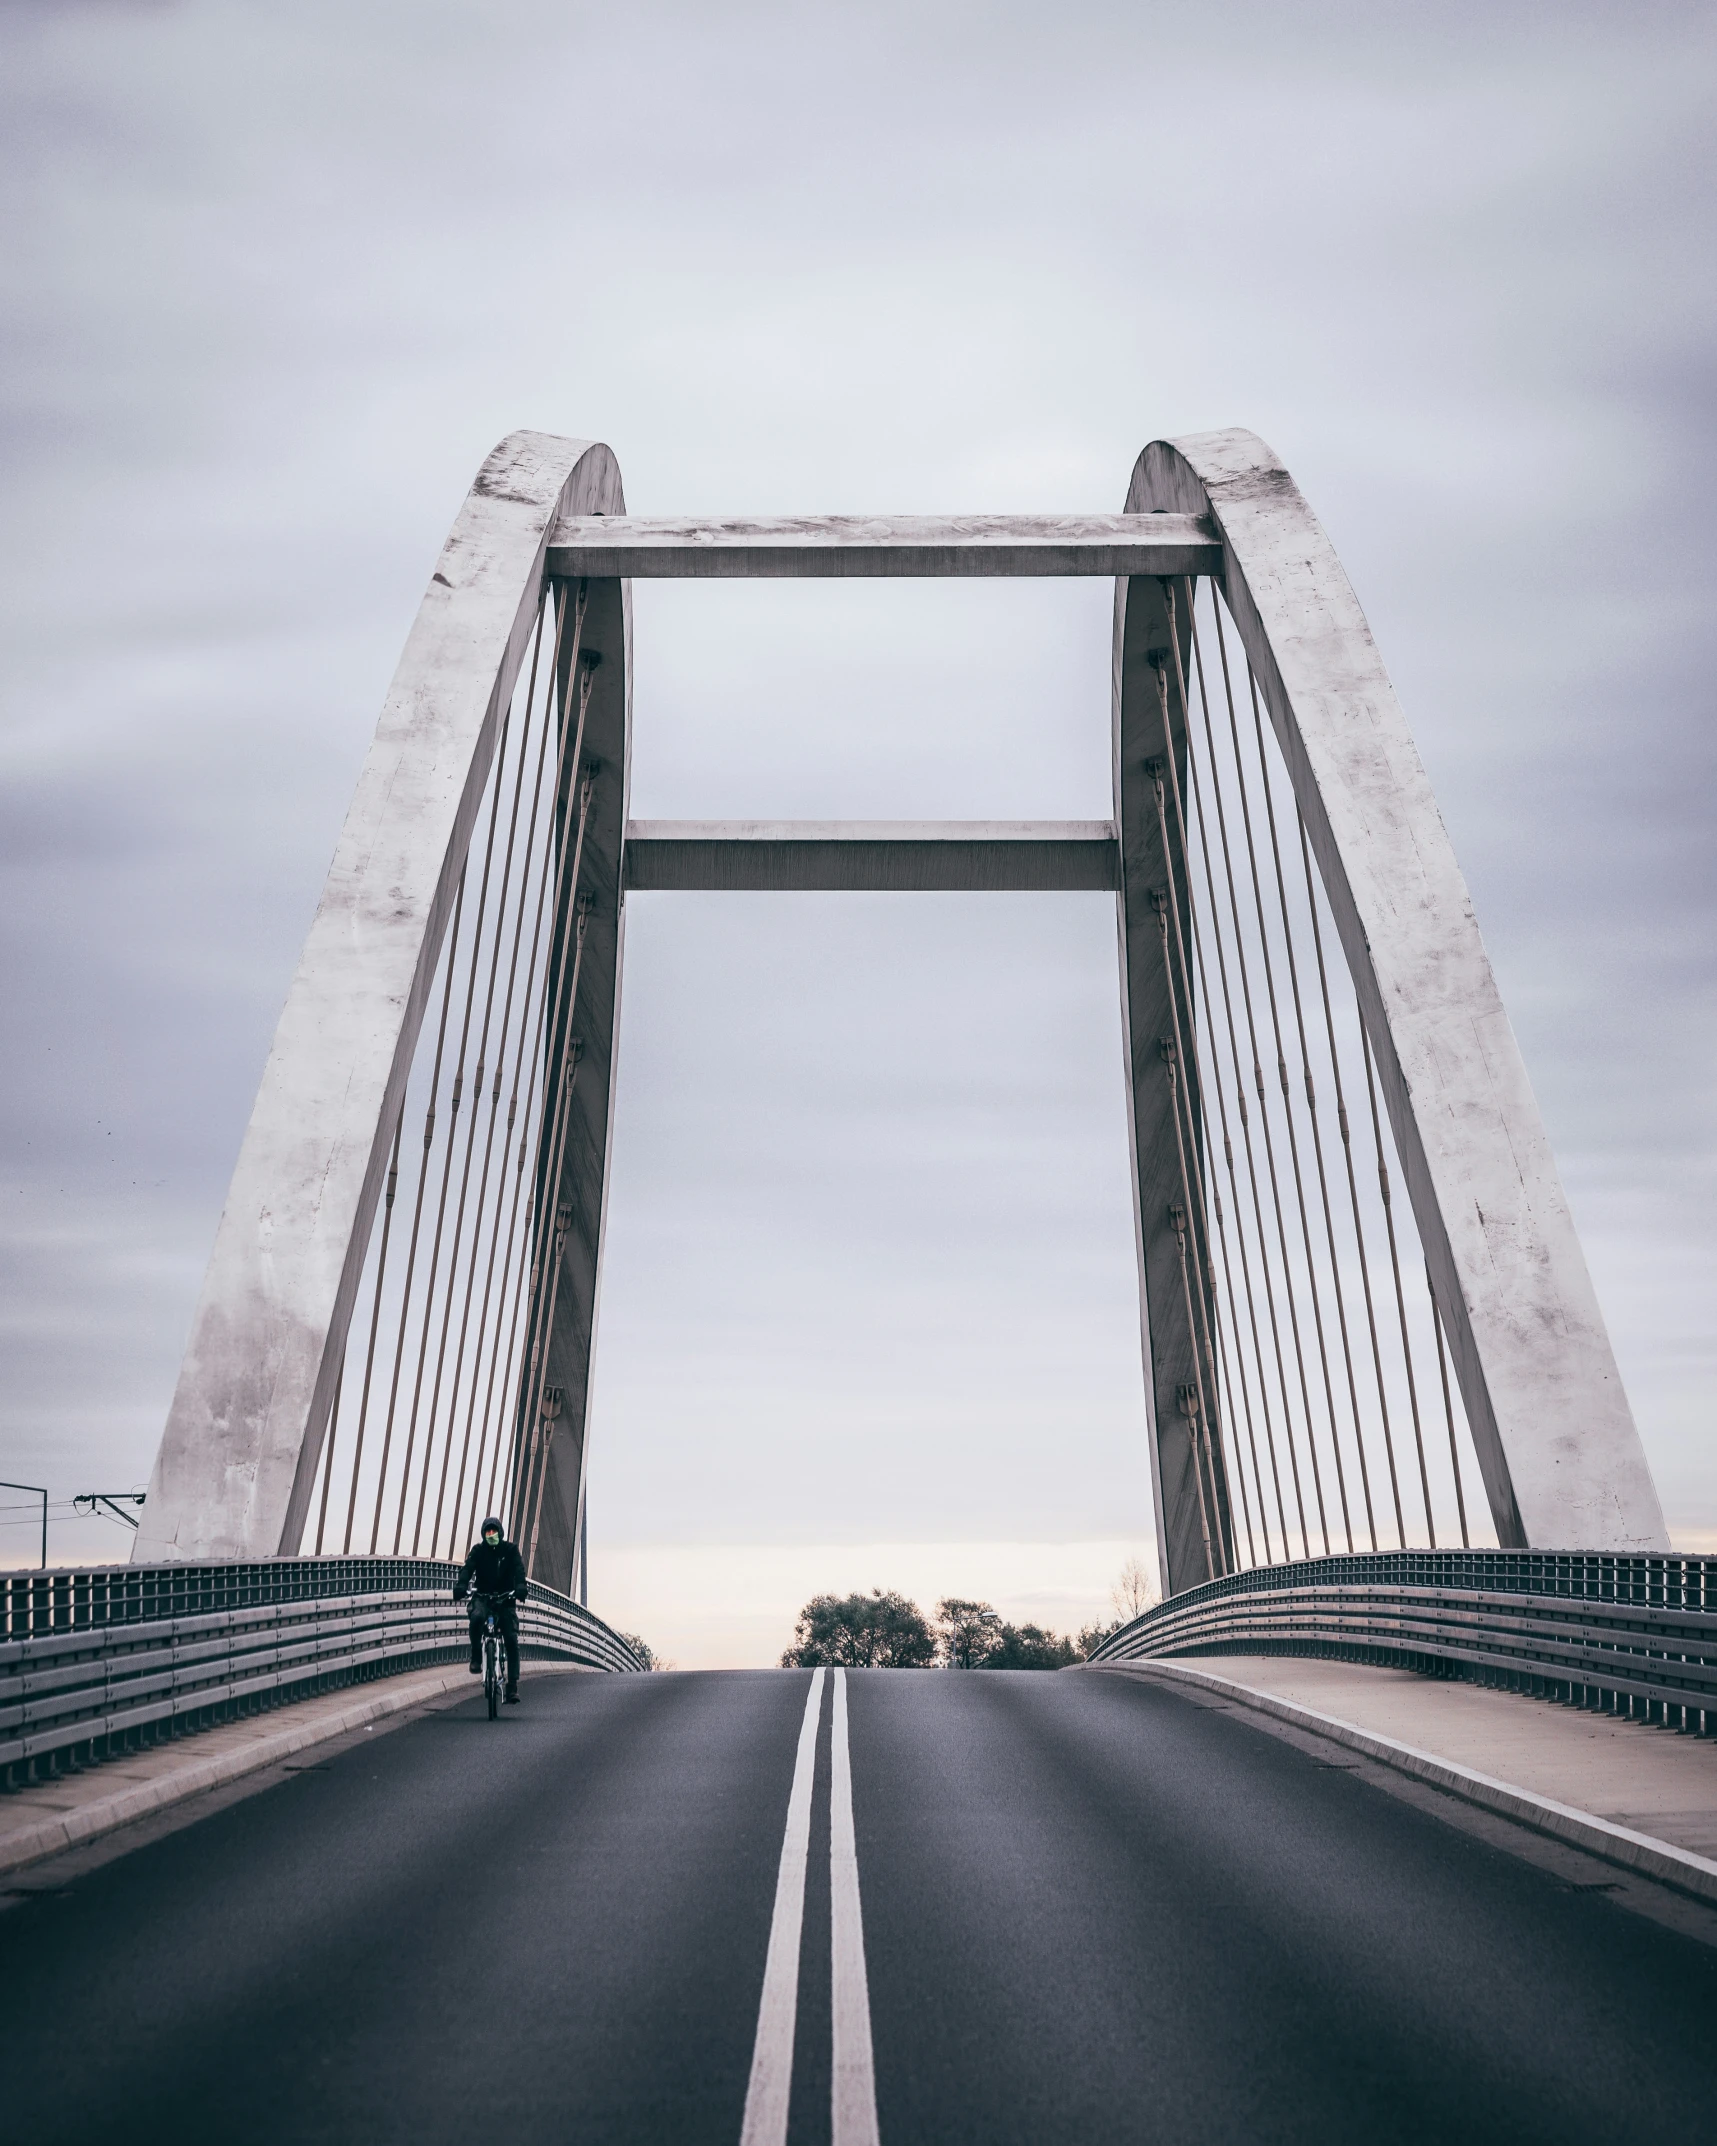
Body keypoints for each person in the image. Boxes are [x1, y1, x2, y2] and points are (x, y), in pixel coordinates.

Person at [454, 1517, 528, 1704]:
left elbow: (519, 1570)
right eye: (487, 1532)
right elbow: (468, 1568)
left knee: (511, 1638)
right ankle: (477, 1657)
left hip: (505, 1599)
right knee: (476, 1618)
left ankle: (512, 1686)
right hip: (483, 1597)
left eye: (493, 1532)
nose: (491, 1535)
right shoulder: (478, 1551)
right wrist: (461, 1585)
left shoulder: (510, 1551)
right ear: (483, 1534)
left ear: (500, 1533)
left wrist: (520, 1587)